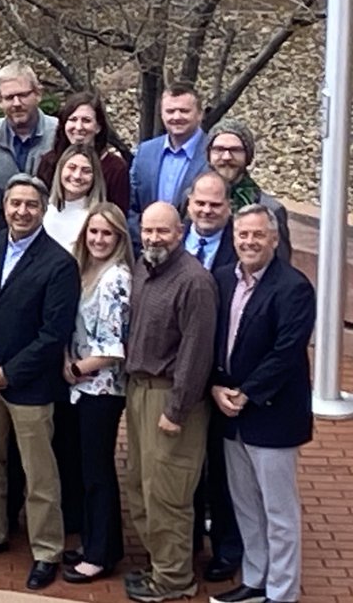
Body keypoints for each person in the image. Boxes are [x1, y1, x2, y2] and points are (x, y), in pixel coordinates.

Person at [0, 174, 78, 592]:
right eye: (15, 204)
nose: (22, 211)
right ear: (5, 205)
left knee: (39, 473)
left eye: (31, 204)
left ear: (43, 209)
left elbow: (54, 333)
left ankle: (47, 550)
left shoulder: (60, 263)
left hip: (29, 386)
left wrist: (9, 372)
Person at [210, 204, 315, 603]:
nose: (249, 242)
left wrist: (247, 392)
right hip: (230, 411)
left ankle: (282, 592)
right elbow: (216, 342)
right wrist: (217, 388)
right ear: (233, 238)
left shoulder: (294, 287)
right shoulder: (222, 280)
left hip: (272, 415)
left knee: (279, 512)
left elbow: (286, 352)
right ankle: (255, 581)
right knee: (246, 505)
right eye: (242, 235)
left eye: (258, 235)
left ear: (274, 239)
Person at [124, 201, 217, 603]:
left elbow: (197, 353)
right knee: (140, 488)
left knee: (168, 494)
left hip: (171, 398)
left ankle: (175, 580)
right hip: (139, 391)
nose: (153, 238)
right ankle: (160, 565)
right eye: (147, 230)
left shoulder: (194, 281)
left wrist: (176, 411)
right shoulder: (145, 268)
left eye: (162, 231)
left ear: (180, 232)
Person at [61, 203, 133, 584]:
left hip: (101, 390)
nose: (99, 239)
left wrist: (75, 368)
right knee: (83, 469)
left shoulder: (116, 278)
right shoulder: (85, 270)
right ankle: (93, 540)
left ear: (120, 238)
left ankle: (101, 554)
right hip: (78, 387)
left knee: (97, 471)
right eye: (94, 232)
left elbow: (112, 348)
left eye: (107, 234)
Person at [181, 172, 245, 582]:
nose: (206, 211)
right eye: (200, 204)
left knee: (221, 473)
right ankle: (185, 546)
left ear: (228, 209)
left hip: (221, 380)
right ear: (188, 204)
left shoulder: (237, 251)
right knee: (183, 470)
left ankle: (226, 549)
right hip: (179, 379)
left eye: (214, 205)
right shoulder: (169, 240)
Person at [128, 83, 209, 241]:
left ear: (199, 114)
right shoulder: (145, 152)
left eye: (184, 111)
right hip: (147, 249)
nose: (176, 117)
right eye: (170, 111)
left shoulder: (214, 154)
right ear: (162, 115)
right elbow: (131, 206)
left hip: (194, 250)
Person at [206, 118, 292, 261]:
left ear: (248, 156)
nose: (226, 157)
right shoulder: (192, 200)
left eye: (235, 150)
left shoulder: (270, 210)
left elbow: (281, 270)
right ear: (209, 155)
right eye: (219, 149)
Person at [34, 91, 130, 213]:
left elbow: (119, 216)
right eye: (73, 119)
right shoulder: (49, 162)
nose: (78, 127)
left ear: (98, 127)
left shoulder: (115, 168)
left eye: (86, 120)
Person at [0, 62, 58, 189]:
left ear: (38, 94)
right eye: (9, 97)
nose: (16, 103)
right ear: (0, 101)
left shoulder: (59, 133)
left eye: (22, 95)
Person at [43, 144, 107, 251]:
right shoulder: (43, 211)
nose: (77, 176)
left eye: (86, 171)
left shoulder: (98, 219)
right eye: (72, 168)